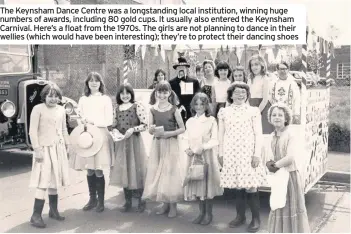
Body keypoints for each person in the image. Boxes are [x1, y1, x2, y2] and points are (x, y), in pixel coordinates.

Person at [218, 82, 265, 233]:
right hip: (231, 153)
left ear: (247, 95)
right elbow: (221, 135)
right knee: (238, 185)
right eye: (237, 93)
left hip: (248, 152)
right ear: (231, 95)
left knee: (251, 186)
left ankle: (256, 219)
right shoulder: (224, 112)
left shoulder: (253, 111)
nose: (240, 95)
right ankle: (240, 216)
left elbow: (258, 134)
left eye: (243, 93)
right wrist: (221, 153)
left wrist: (256, 154)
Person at [70, 72, 114, 213]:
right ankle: (92, 199)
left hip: (100, 134)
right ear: (87, 84)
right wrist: (82, 121)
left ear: (101, 83)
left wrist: (94, 122)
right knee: (89, 168)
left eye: (97, 81)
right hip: (86, 136)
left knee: (99, 169)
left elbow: (109, 121)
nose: (94, 83)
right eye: (91, 81)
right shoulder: (83, 99)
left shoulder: (105, 99)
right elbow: (79, 116)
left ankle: (101, 201)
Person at [28, 83, 70, 228]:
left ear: (59, 97)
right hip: (44, 149)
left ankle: (53, 210)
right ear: (44, 96)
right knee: (43, 181)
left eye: (56, 96)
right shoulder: (37, 109)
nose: (53, 99)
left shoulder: (61, 110)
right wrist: (37, 149)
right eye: (50, 96)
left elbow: (64, 129)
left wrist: (67, 145)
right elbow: (32, 131)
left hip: (58, 149)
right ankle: (35, 215)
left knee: (54, 179)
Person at [142, 81, 185, 218]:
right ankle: (165, 204)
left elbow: (182, 128)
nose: (162, 95)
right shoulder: (152, 110)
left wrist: (169, 134)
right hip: (158, 144)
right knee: (160, 173)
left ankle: (173, 205)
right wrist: (152, 129)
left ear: (170, 93)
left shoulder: (174, 109)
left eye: (165, 92)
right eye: (159, 92)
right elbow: (149, 129)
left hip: (171, 144)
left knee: (170, 173)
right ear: (155, 93)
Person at [266, 103, 311, 233]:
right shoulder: (272, 135)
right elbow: (269, 154)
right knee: (277, 204)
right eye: (274, 115)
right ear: (270, 118)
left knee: (288, 206)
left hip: (289, 176)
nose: (277, 117)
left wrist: (274, 166)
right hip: (279, 176)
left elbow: (290, 157)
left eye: (280, 115)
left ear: (286, 118)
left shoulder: (290, 134)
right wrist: (268, 163)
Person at [183, 92, 223, 225]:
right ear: (193, 105)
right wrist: (187, 148)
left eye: (202, 104)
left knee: (207, 185)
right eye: (196, 104)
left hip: (207, 156)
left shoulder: (211, 120)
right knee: (198, 184)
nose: (199, 106)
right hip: (194, 156)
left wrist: (204, 147)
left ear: (207, 106)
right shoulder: (190, 121)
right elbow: (186, 138)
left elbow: (215, 140)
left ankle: (208, 214)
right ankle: (201, 213)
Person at [110, 83, 148, 213]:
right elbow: (113, 125)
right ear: (119, 95)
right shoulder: (116, 108)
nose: (125, 96)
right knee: (124, 170)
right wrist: (114, 132)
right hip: (122, 143)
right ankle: (128, 202)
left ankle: (141, 200)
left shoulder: (137, 106)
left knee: (137, 169)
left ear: (131, 94)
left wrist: (133, 129)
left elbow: (145, 124)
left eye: (127, 93)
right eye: (122, 93)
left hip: (134, 142)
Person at [247, 55, 277, 134]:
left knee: (263, 132)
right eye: (252, 65)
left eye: (256, 64)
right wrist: (248, 109)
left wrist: (257, 112)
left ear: (262, 65)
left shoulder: (265, 79)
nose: (254, 67)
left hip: (262, 107)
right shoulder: (250, 79)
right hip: (251, 106)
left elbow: (265, 99)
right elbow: (248, 96)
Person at [169, 54, 200, 123]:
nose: (181, 69)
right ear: (176, 69)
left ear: (186, 68)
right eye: (179, 67)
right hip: (176, 111)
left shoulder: (194, 82)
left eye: (183, 67)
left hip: (191, 112)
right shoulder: (171, 83)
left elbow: (197, 97)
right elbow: (170, 98)